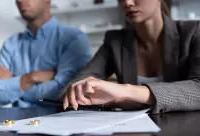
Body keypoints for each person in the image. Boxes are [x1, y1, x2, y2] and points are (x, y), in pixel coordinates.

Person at [62, 0, 200, 114]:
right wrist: (113, 100)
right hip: (135, 133)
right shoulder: (115, 41)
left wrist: (126, 91)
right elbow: (70, 90)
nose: (127, 3)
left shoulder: (193, 32)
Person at [0, 0, 92, 107]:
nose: (20, 0)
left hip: (58, 122)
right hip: (14, 123)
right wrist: (31, 78)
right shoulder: (11, 43)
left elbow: (65, 92)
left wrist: (13, 85)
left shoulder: (74, 39)